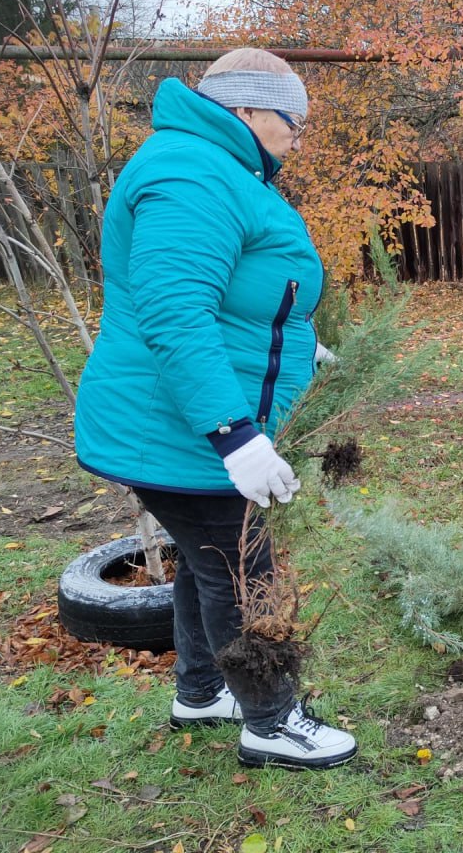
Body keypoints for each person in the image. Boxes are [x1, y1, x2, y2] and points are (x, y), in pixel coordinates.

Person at [74, 48, 356, 770]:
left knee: (207, 563)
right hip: (181, 429)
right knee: (242, 568)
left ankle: (201, 692)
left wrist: (300, 346)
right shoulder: (191, 171)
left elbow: (237, 293)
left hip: (180, 424)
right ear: (247, 112)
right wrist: (235, 437)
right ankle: (271, 720)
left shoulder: (209, 163)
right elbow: (174, 312)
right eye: (293, 119)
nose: (299, 134)